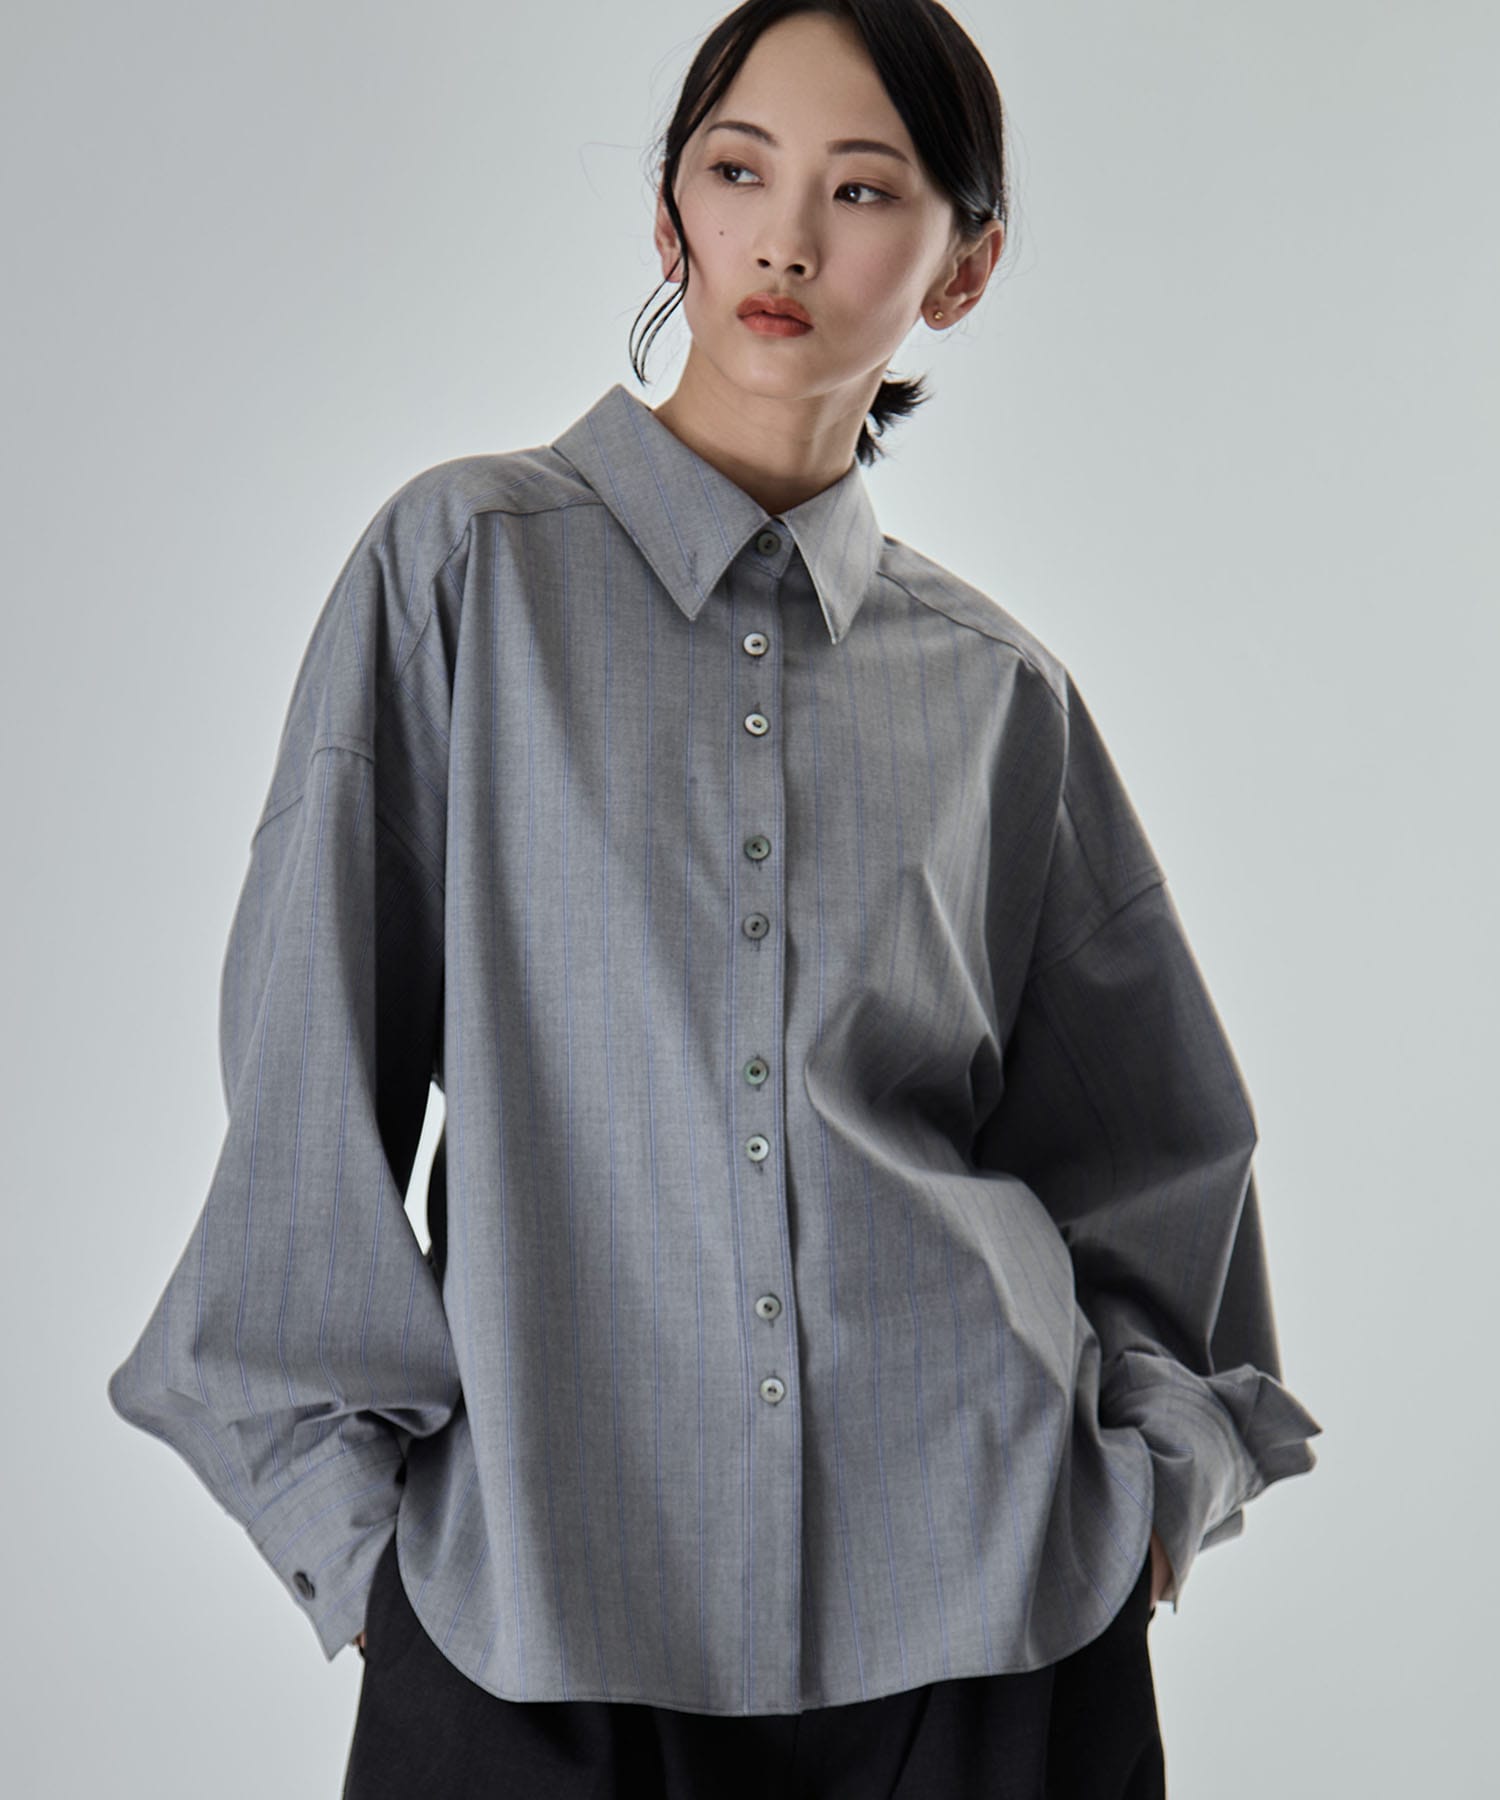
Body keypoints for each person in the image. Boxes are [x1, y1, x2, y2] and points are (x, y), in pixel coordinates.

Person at [105, 3, 1322, 1795]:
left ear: (965, 267)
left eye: (864, 189)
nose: (787, 240)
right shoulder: (463, 574)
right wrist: (363, 1560)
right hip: (531, 1631)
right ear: (669, 215)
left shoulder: (997, 693)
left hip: (985, 1621)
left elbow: (1161, 1162)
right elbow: (307, 1099)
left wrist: (1142, 1501)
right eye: (738, 170)